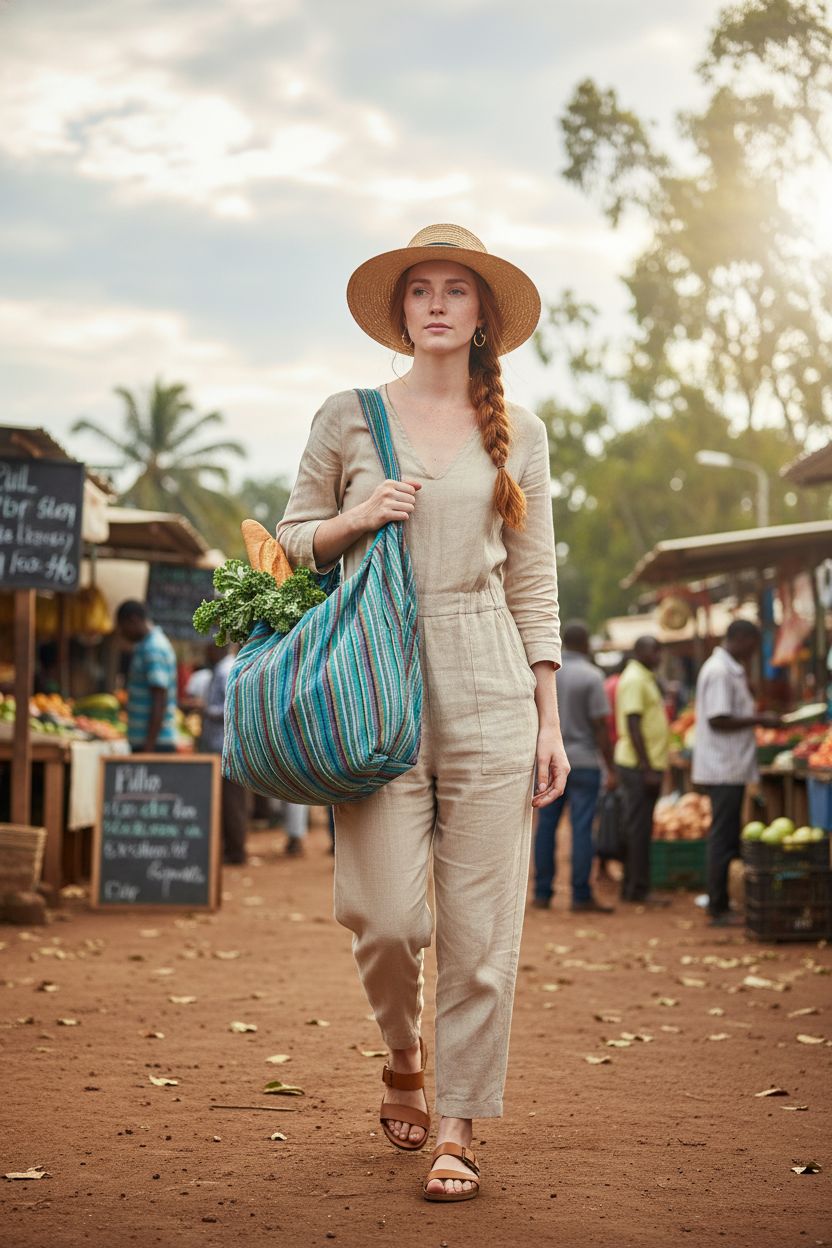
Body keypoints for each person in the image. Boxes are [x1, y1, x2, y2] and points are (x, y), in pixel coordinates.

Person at [276, 224, 567, 1203]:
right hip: (373, 679)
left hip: (489, 679)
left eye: (456, 290)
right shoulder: (347, 416)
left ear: (481, 313)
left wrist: (549, 716)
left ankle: (458, 1123)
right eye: (420, 290)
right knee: (384, 913)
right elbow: (284, 542)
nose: (437, 303)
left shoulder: (519, 431)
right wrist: (357, 520)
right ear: (400, 312)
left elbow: (534, 577)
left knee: (483, 932)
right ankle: (402, 1048)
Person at [692, 620, 782, 927]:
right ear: (741, 639)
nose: (754, 651)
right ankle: (717, 906)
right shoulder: (719, 671)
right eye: (754, 644)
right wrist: (759, 719)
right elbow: (718, 718)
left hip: (728, 765)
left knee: (726, 834)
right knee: (722, 836)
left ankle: (719, 902)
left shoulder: (727, 668)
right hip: (723, 766)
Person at [532, 620, 616, 913]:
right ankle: (580, 895)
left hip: (549, 761)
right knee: (581, 828)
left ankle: (543, 893)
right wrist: (611, 766)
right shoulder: (592, 677)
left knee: (546, 826)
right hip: (584, 763)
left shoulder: (546, 673)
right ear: (586, 644)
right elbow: (601, 727)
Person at [614, 636, 669, 904]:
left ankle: (633, 886)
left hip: (643, 765)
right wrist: (647, 768)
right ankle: (637, 889)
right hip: (637, 767)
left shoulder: (644, 676)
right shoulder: (635, 679)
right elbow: (633, 725)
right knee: (637, 829)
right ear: (639, 652)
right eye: (655, 650)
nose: (659, 655)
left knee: (638, 828)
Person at [199, 644, 249, 866]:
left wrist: (205, 711)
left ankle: (236, 850)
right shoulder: (223, 668)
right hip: (221, 745)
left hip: (224, 746)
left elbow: (233, 707)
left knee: (231, 800)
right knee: (227, 800)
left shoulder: (225, 669)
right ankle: (231, 848)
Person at [116, 601, 177, 753]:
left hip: (155, 745)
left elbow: (159, 698)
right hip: (149, 743)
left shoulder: (154, 648)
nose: (121, 633)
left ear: (133, 620)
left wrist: (149, 746)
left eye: (122, 627)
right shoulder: (144, 646)